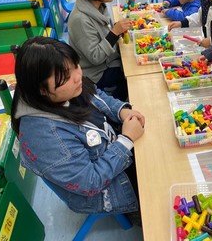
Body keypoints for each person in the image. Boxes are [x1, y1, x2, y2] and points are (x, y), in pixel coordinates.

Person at [11, 37, 145, 218]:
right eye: (66, 77)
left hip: (118, 152)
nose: (78, 76)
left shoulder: (63, 91)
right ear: (42, 89)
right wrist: (126, 140)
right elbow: (91, 182)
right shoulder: (44, 136)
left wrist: (122, 111)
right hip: (113, 189)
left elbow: (96, 95)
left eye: (76, 65)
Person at [68, 0, 131, 101]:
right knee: (133, 74)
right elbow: (95, 57)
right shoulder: (80, 19)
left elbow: (103, 33)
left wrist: (116, 30)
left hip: (108, 61)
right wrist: (114, 33)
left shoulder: (98, 5)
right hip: (96, 74)